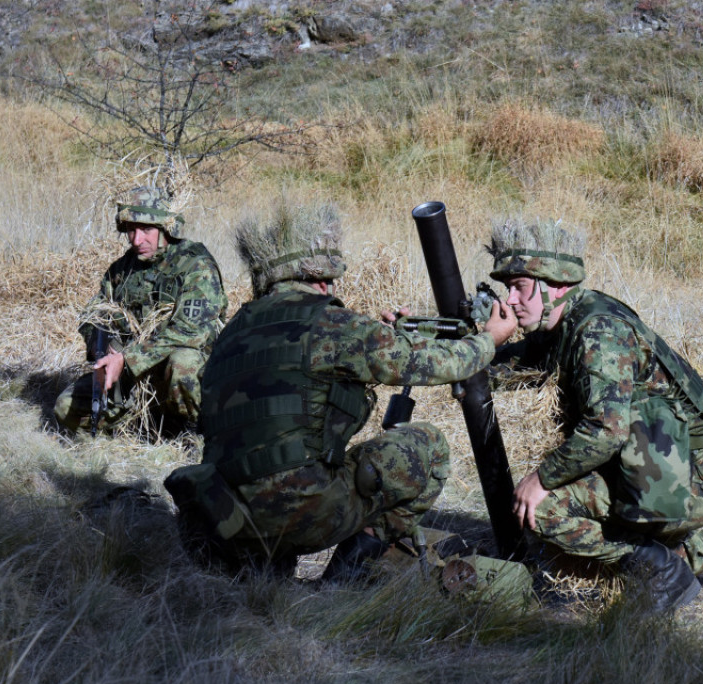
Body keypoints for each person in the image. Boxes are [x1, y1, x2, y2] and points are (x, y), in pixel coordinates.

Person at [163, 205, 516, 579]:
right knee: (427, 446)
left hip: (222, 521)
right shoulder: (329, 323)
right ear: (321, 279)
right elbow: (432, 365)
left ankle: (262, 569)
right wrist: (488, 341)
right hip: (300, 514)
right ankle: (344, 579)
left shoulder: (232, 333)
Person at [487, 218, 703, 613]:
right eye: (507, 289)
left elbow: (605, 431)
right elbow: (507, 370)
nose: (510, 300)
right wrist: (474, 341)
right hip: (667, 473)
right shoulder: (572, 318)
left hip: (689, 484)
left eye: (519, 288)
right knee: (565, 522)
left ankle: (664, 573)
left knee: (543, 510)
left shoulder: (597, 331)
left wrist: (540, 479)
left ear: (556, 285)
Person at [54, 186, 227, 435]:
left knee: (184, 363)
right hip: (133, 379)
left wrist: (127, 359)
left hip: (178, 374)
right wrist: (102, 346)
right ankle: (142, 427)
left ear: (166, 228)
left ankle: (196, 434)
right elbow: (93, 313)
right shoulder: (121, 270)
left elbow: (188, 333)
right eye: (132, 230)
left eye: (146, 230)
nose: (137, 240)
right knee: (65, 407)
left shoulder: (196, 266)